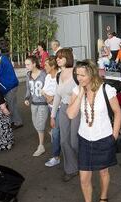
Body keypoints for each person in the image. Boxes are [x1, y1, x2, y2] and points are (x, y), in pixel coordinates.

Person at [66, 59, 121, 202]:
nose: (79, 78)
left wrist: (115, 134)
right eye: (77, 75)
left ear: (92, 73)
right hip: (84, 138)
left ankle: (103, 198)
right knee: (84, 177)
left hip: (104, 137)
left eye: (82, 75)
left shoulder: (107, 90)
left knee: (103, 172)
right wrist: (82, 92)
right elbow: (70, 114)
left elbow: (117, 112)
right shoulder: (77, 91)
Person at [51, 48, 80, 182]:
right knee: (64, 141)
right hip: (63, 108)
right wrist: (52, 115)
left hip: (77, 109)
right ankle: (71, 169)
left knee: (74, 142)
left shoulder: (76, 72)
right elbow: (57, 95)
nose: (58, 59)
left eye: (61, 57)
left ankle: (82, 164)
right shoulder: (58, 75)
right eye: (57, 57)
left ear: (68, 58)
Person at [0, 46, 23, 129]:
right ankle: (13, 121)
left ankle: (18, 122)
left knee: (11, 105)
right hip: (9, 85)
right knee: (11, 105)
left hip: (9, 86)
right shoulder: (1, 58)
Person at [24, 56, 48, 157]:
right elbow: (28, 89)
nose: (26, 66)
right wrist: (26, 98)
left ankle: (41, 146)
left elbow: (50, 87)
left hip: (43, 104)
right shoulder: (28, 75)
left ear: (34, 64)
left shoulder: (44, 74)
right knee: (36, 124)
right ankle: (51, 132)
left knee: (40, 125)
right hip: (33, 104)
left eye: (28, 64)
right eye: (25, 65)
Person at [42, 57, 61, 167]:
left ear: (53, 66)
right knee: (56, 132)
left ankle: (56, 157)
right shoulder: (48, 76)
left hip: (59, 108)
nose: (44, 67)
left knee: (55, 132)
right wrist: (49, 97)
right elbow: (43, 90)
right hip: (51, 107)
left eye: (46, 65)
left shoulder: (60, 76)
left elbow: (60, 93)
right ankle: (57, 154)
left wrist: (52, 97)